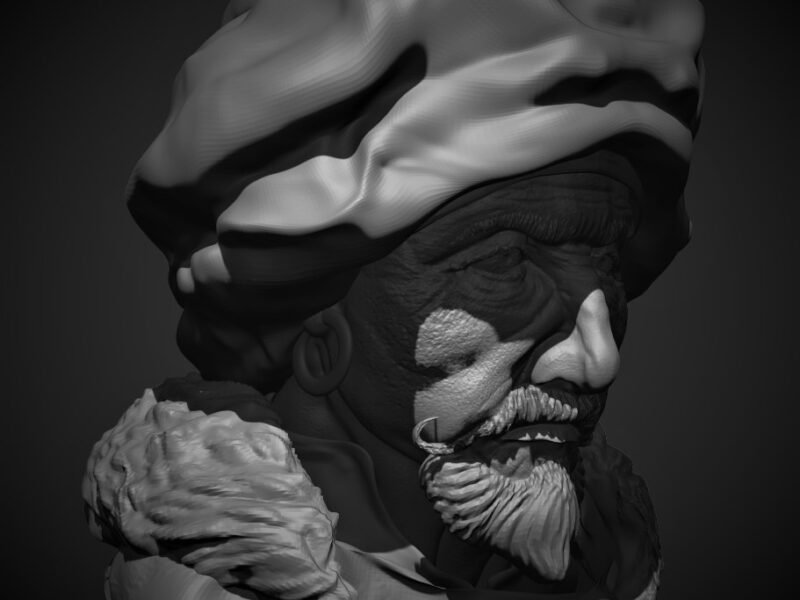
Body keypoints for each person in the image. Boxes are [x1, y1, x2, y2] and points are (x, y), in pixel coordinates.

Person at [83, 1, 705, 598]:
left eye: (606, 267)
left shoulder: (609, 560)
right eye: (503, 265)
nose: (598, 361)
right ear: (319, 329)